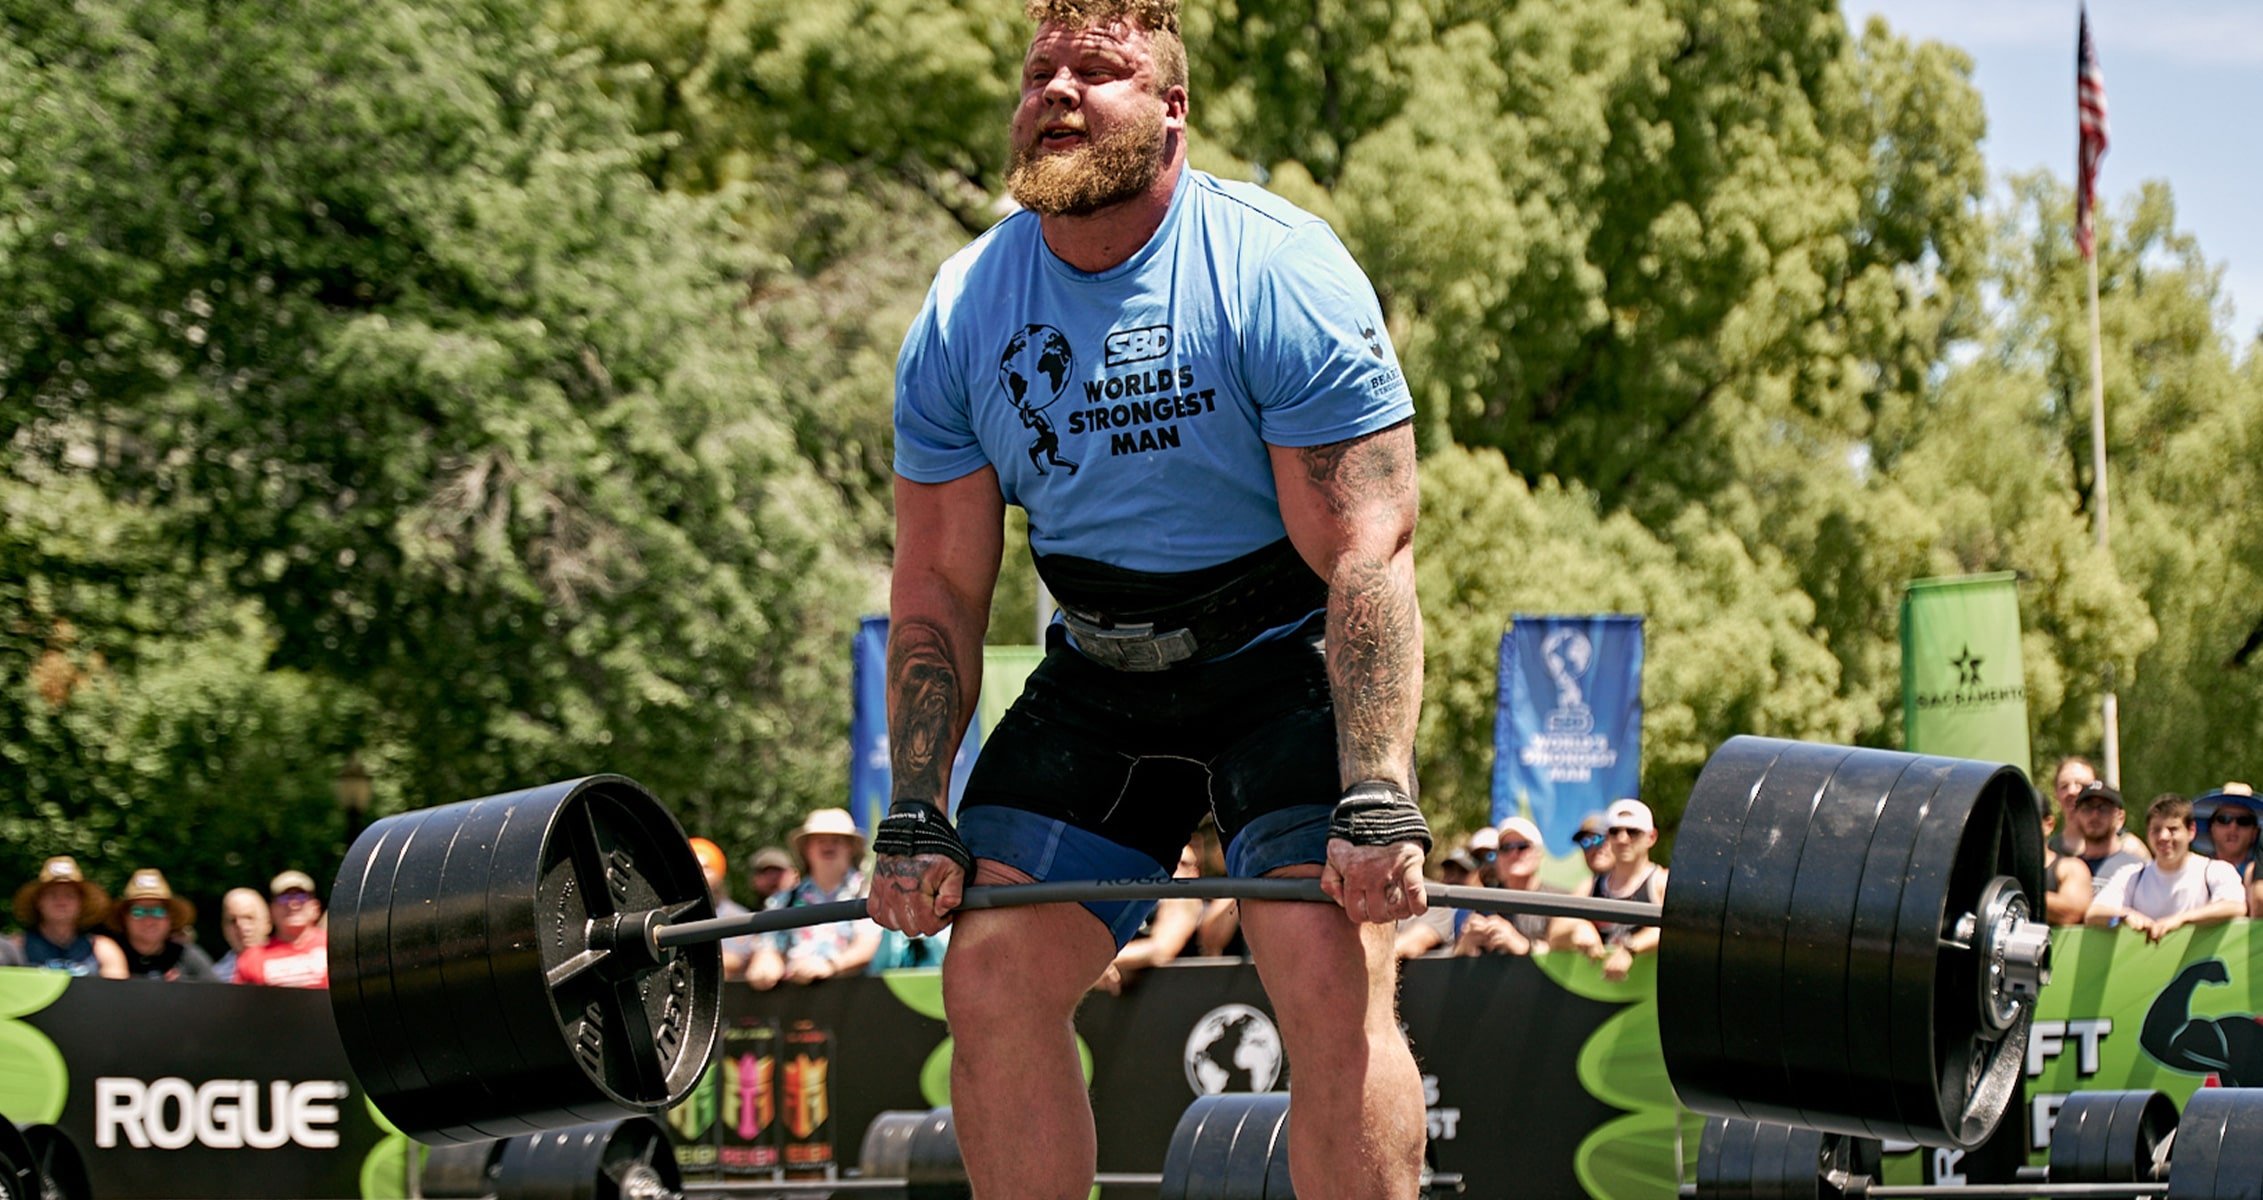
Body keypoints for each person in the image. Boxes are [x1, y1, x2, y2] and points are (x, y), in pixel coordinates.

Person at [870, 0, 1429, 1193]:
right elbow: (938, 583)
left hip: (1282, 659)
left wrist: (1378, 788)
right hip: (1100, 679)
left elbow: (1367, 553)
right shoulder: (966, 306)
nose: (1057, 91)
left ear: (1173, 110)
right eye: (1038, 71)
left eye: (1099, 69)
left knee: (1329, 980)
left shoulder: (1279, 269)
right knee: (989, 977)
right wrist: (916, 802)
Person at [745, 808, 881, 989]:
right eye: (820, 840)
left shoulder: (869, 894)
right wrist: (764, 963)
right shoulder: (784, 900)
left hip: (856, 1002)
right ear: (806, 849)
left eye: (836, 840)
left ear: (851, 847)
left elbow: (866, 948)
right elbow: (767, 945)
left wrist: (830, 965)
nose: (828, 846)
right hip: (796, 1004)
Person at [2085, 794, 2245, 941]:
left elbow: (2235, 906)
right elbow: (2094, 913)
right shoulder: (2132, 876)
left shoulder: (2215, 871)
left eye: (2172, 829)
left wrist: (2181, 920)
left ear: (2191, 831)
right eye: (2156, 830)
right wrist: (2125, 916)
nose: (2163, 837)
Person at [1457, 818, 1604, 959]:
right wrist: (1465, 946)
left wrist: (1521, 946)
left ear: (1539, 854)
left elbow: (1562, 958)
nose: (1514, 854)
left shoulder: (1559, 900)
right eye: (1506, 848)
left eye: (1522, 846)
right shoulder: (1486, 903)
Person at [1096, 841, 1203, 991]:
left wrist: (1102, 962)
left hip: (1176, 992)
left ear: (1194, 872)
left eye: (1183, 863)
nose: (1174, 868)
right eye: (1171, 861)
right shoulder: (1136, 896)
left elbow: (1160, 950)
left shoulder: (1184, 900)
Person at [1586, 800, 1668, 982]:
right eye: (1615, 832)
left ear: (1652, 837)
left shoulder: (1661, 882)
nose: (1622, 839)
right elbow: (1556, 927)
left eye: (1633, 832)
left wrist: (1631, 948)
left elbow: (1677, 928)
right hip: (1596, 994)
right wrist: (1579, 928)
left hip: (1650, 999)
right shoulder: (1591, 884)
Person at [11, 857, 125, 978]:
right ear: (38, 902)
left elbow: (118, 994)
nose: (61, 901)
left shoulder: (103, 950)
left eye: (69, 895)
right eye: (52, 895)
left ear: (81, 904)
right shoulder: (16, 946)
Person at [107, 869, 216, 982]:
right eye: (138, 912)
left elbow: (217, 995)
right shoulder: (106, 955)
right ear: (124, 917)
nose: (149, 921)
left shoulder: (187, 957)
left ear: (170, 918)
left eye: (158, 912)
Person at [233, 870, 329, 988]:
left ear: (315, 908)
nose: (293, 904)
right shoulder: (251, 959)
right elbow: (239, 1003)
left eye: (301, 897)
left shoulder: (336, 947)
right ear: (271, 909)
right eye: (284, 898)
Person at [1392, 842, 1478, 960]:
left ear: (1476, 874)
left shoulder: (1436, 903)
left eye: (1462, 872)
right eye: (1449, 871)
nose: (1454, 878)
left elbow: (1410, 945)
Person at [691, 838, 758, 979]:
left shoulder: (738, 917)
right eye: (692, 867)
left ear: (719, 873)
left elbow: (736, 960)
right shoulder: (669, 917)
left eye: (706, 868)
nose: (699, 874)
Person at [2192, 783, 2263, 916]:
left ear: (2255, 833)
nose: (2233, 827)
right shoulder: (2194, 870)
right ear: (2211, 828)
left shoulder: (2256, 873)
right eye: (2224, 819)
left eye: (2243, 821)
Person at [2066, 782, 2148, 885]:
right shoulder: (2067, 870)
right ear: (2076, 816)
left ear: (2120, 818)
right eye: (2087, 809)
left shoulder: (2138, 870)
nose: (2094, 815)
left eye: (2104, 809)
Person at [2039, 791, 2095, 927]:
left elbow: (2072, 912)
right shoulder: (1998, 870)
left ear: (2049, 825)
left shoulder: (2069, 868)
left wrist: (2018, 895)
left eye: (2028, 820)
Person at [210, 887, 271, 984]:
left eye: (249, 918)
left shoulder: (291, 965)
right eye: (233, 921)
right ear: (224, 928)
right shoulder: (216, 978)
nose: (241, 926)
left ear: (268, 923)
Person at [2044, 756, 2099, 856]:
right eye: (2064, 786)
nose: (2071, 791)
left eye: (2080, 785)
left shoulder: (2123, 847)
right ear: (2056, 794)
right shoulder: (2048, 854)